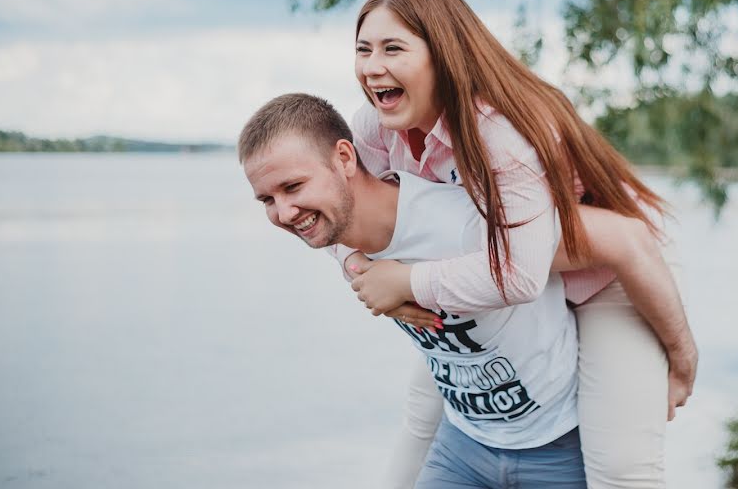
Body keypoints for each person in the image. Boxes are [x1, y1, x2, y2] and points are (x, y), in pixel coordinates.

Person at [335, 0, 697, 488]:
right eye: (363, 49)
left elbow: (552, 265)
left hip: (606, 273)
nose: (372, 66)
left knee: (621, 467)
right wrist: (358, 269)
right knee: (422, 415)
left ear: (444, 54)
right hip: (501, 275)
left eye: (393, 48)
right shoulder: (375, 128)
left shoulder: (499, 133)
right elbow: (343, 205)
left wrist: (681, 359)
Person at [240, 93, 587, 488]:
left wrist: (672, 355)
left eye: (293, 186)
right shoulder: (340, 231)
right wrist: (356, 267)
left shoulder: (464, 223)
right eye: (268, 199)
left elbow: (600, 248)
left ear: (345, 158)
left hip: (556, 442)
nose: (284, 213)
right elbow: (337, 238)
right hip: (464, 442)